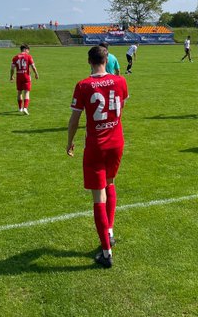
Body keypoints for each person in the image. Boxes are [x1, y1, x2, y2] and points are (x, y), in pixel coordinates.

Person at [67, 45, 129, 268]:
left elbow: (75, 119)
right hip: (116, 143)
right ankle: (110, 231)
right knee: (110, 183)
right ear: (107, 59)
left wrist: (69, 140)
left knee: (97, 197)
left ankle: (106, 252)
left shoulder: (83, 85)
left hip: (96, 146)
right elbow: (121, 104)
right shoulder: (120, 81)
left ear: (89, 61)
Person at [10, 44, 39, 115]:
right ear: (26, 49)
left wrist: (11, 76)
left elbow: (12, 68)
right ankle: (25, 108)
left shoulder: (15, 57)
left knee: (19, 92)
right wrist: (36, 74)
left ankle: (20, 108)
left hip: (19, 77)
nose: (28, 52)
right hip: (26, 76)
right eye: (28, 50)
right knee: (26, 92)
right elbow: (33, 66)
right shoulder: (28, 56)